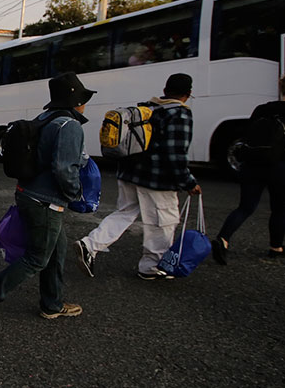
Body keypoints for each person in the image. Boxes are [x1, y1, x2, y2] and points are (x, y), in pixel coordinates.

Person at [0, 72, 95, 324]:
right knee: (37, 257)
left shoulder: (46, 118)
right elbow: (64, 168)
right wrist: (73, 194)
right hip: (46, 201)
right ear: (75, 101)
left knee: (57, 251)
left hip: (29, 193)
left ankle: (52, 303)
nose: (84, 104)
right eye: (83, 99)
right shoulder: (69, 125)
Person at [73, 73, 202, 280]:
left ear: (165, 90)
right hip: (156, 180)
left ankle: (90, 244)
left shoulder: (147, 108)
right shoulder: (180, 114)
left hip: (129, 173)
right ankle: (150, 267)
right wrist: (188, 182)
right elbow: (175, 154)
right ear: (188, 94)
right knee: (162, 223)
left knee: (124, 213)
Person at [212, 70, 285, 263]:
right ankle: (276, 247)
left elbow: (248, 136)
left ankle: (223, 239)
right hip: (279, 166)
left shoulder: (261, 109)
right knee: (279, 209)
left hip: (252, 165)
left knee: (245, 207)